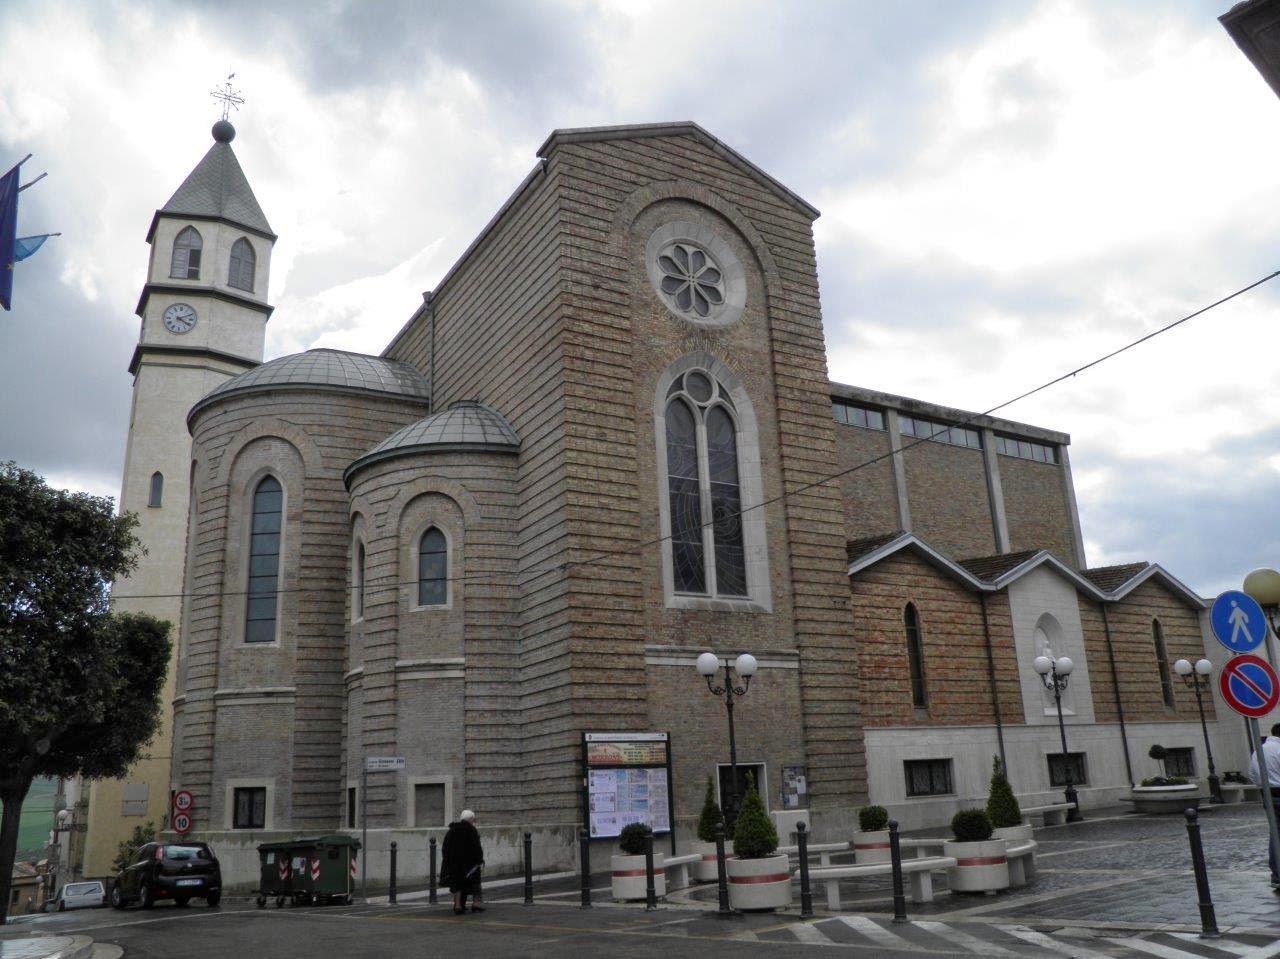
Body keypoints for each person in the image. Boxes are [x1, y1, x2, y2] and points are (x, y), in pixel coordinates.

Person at [1248, 722, 1280, 888]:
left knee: (1275, 834)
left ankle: (1276, 874)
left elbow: (1252, 775)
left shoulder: (1258, 751)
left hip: (1267, 796)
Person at [440, 809, 485, 914]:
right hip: (470, 864)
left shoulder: (452, 830)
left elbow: (445, 848)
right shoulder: (472, 830)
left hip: (454, 864)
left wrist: (447, 861)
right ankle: (476, 904)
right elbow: (476, 847)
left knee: (457, 884)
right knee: (475, 884)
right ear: (470, 819)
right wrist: (480, 860)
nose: (473, 822)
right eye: (473, 820)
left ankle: (458, 905)